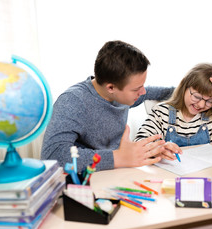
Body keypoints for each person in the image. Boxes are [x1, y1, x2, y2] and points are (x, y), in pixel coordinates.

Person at [41, 40, 174, 171]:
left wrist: (189, 91)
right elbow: (52, 155)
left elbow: (161, 92)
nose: (143, 92)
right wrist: (118, 157)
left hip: (119, 171)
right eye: (136, 89)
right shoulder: (73, 101)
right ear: (111, 87)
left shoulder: (122, 93)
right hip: (88, 179)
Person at [134, 63, 212, 161]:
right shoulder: (162, 112)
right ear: (185, 87)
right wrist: (159, 149)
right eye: (197, 96)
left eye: (209, 101)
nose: (201, 105)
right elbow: (139, 143)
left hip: (207, 174)